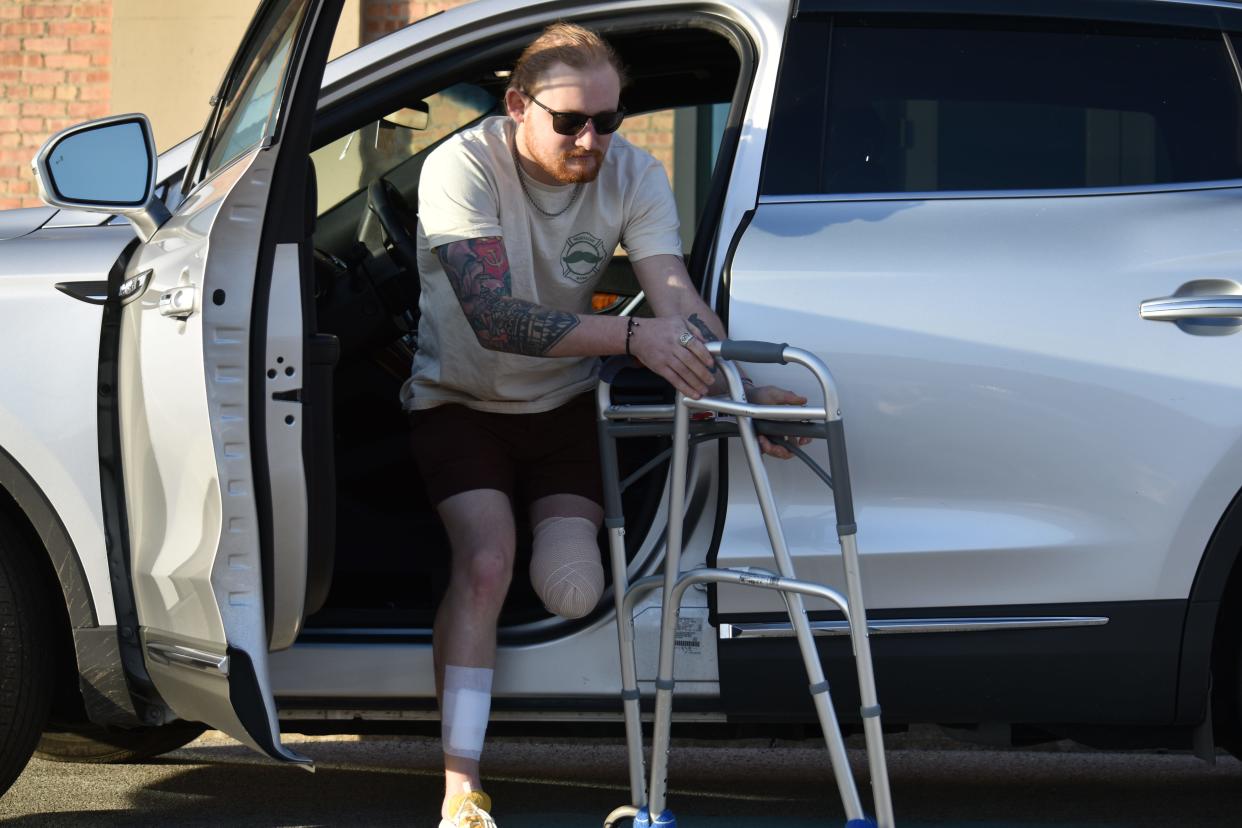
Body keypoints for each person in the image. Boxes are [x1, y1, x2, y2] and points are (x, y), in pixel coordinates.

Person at [401, 22, 806, 828]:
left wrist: (740, 390)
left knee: (572, 583)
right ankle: (461, 787)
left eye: (608, 121)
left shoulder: (633, 173)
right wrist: (630, 338)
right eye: (570, 121)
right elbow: (493, 318)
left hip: (564, 408)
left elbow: (676, 299)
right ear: (518, 104)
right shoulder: (461, 166)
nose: (592, 140)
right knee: (485, 564)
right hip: (460, 404)